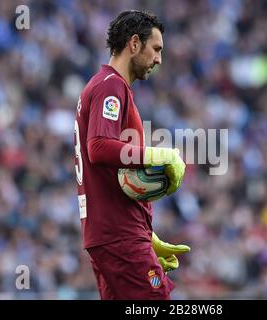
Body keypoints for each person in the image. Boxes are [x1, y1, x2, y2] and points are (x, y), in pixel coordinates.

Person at [74, 10, 190, 300]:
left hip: (113, 233)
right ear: (134, 44)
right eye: (156, 49)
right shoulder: (111, 86)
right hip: (120, 236)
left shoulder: (104, 86)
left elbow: (110, 173)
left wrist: (147, 237)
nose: (159, 59)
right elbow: (98, 147)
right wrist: (156, 155)